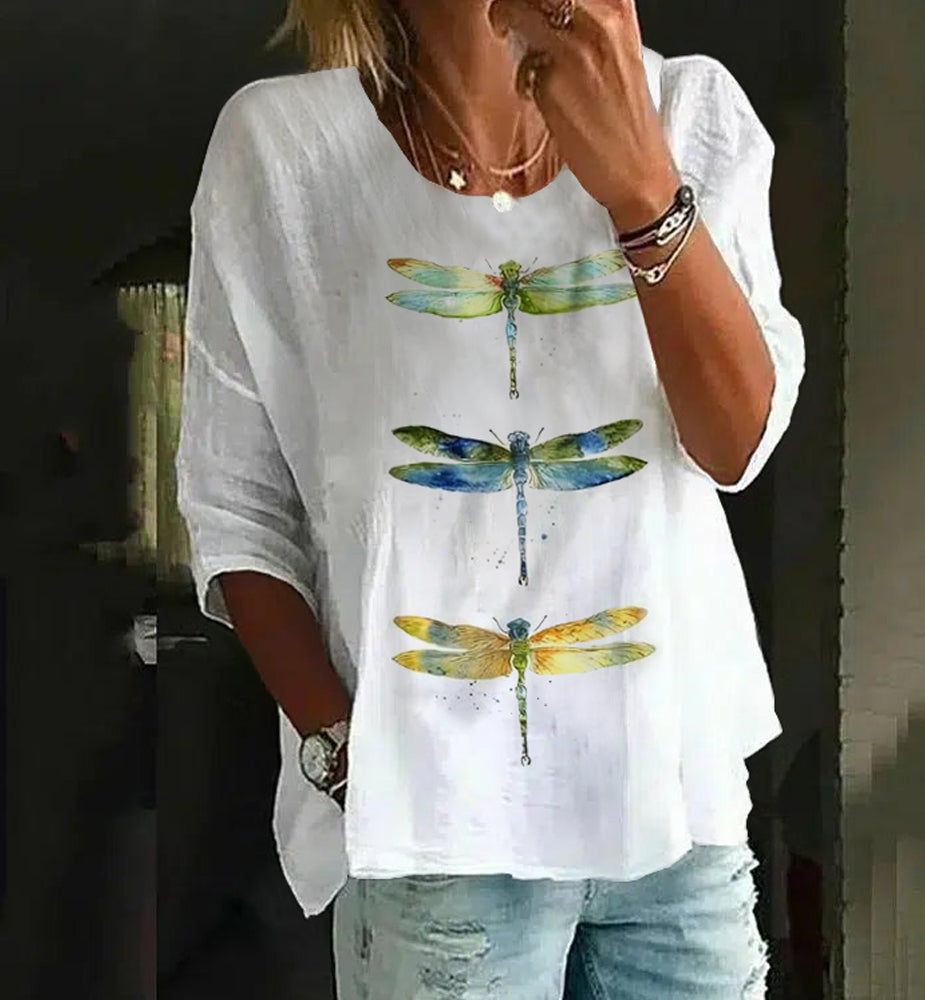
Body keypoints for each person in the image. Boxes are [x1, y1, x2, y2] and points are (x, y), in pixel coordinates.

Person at [174, 0, 805, 996]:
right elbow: (238, 505)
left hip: (675, 812)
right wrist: (343, 753)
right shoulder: (284, 149)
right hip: (438, 826)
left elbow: (735, 442)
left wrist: (643, 185)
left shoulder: (690, 110)